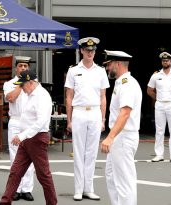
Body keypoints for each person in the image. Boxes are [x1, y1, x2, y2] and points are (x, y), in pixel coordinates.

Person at [0, 70, 57, 205]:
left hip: (36, 139)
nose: (22, 89)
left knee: (43, 176)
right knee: (15, 172)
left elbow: (41, 122)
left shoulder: (42, 96)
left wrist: (22, 135)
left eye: (22, 85)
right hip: (27, 139)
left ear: (30, 83)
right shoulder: (31, 93)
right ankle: (5, 202)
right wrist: (23, 136)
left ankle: (52, 203)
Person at [64, 37, 109, 201]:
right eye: (87, 50)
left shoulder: (101, 71)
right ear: (81, 51)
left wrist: (103, 119)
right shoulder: (73, 70)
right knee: (79, 152)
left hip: (95, 112)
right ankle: (78, 189)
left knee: (91, 153)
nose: (90, 53)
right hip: (80, 112)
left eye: (93, 50)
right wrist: (69, 120)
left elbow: (103, 97)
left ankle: (88, 188)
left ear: (95, 52)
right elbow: (69, 97)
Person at [101, 50, 142, 205]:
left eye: (108, 65)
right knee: (112, 177)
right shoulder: (121, 83)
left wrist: (110, 137)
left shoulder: (127, 84)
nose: (107, 68)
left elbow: (125, 113)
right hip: (119, 136)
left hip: (123, 137)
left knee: (124, 181)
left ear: (117, 64)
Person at [2, 56, 35, 201]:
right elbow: (10, 98)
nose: (23, 68)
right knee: (15, 157)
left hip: (30, 123)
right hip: (15, 121)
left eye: (25, 66)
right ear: (16, 68)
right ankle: (16, 188)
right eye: (20, 65)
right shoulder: (9, 83)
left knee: (30, 156)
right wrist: (20, 84)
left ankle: (27, 189)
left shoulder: (34, 84)